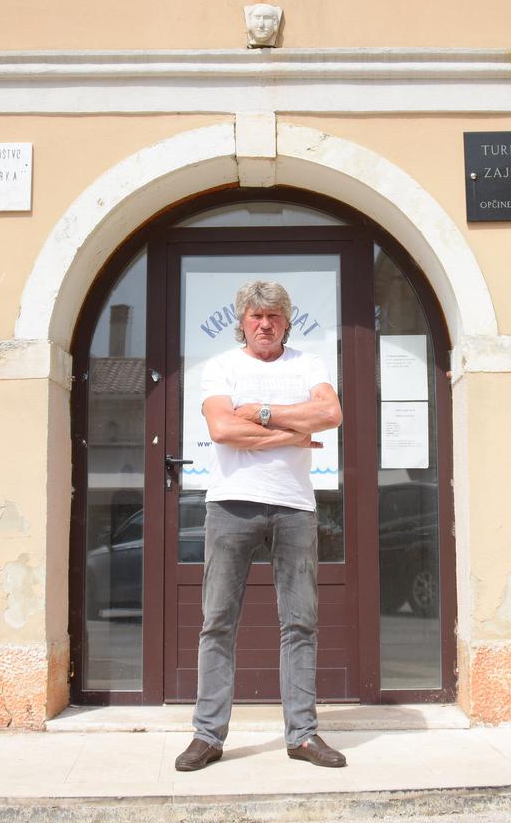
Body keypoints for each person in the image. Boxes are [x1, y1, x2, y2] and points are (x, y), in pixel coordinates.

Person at [174, 280, 347, 771]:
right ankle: (207, 736)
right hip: (231, 505)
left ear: (286, 322)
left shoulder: (307, 364)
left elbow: (331, 412)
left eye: (273, 317)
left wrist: (265, 415)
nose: (265, 325)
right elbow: (222, 429)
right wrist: (291, 436)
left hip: (294, 507)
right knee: (218, 623)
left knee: (300, 623)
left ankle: (304, 736)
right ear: (242, 322)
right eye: (256, 317)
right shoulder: (223, 367)